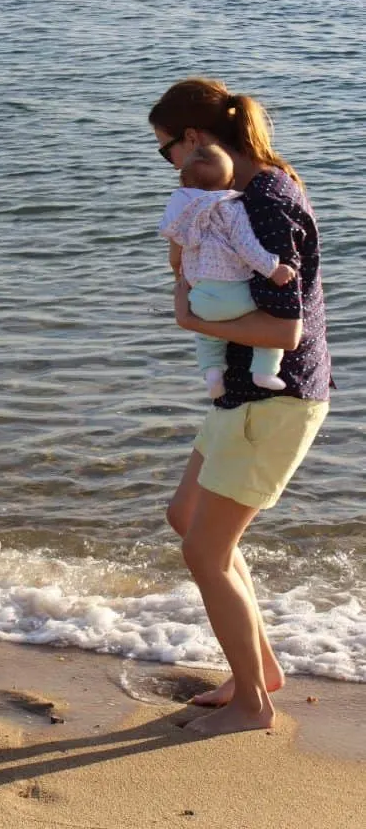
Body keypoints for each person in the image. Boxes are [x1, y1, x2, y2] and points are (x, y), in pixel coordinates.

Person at [149, 78, 330, 736]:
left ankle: (254, 705)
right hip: (244, 396)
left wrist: (195, 324)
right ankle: (259, 668)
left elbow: (286, 334)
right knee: (187, 517)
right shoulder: (240, 194)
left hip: (277, 400)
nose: (167, 164)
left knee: (205, 551)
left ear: (194, 138)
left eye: (164, 149)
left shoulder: (266, 203)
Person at [159, 142, 297, 399]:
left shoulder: (180, 213)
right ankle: (264, 371)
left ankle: (212, 373)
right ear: (230, 181)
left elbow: (175, 251)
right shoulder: (230, 208)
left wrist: (180, 279)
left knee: (208, 337)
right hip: (235, 294)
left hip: (199, 296)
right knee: (266, 332)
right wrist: (274, 269)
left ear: (183, 181)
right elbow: (247, 247)